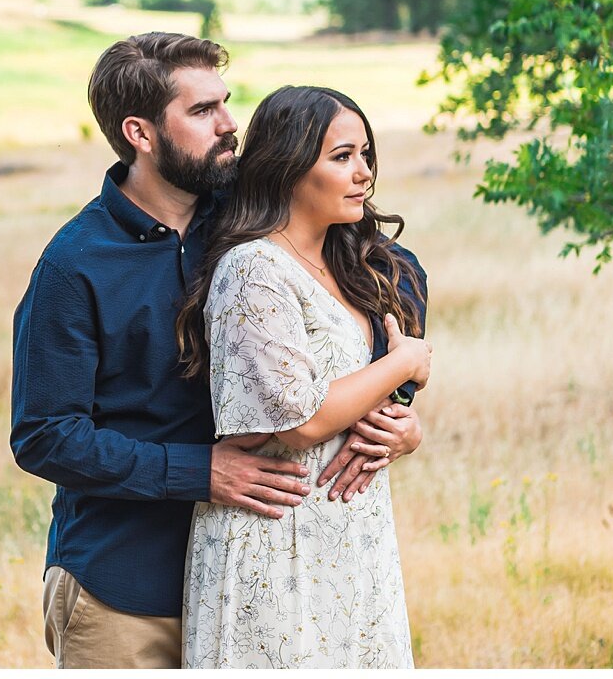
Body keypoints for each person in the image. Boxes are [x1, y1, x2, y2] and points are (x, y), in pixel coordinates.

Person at [11, 34, 423, 669]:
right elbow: (44, 435)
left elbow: (394, 268)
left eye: (225, 103)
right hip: (126, 589)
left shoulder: (247, 214)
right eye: (203, 112)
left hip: (263, 571)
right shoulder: (76, 265)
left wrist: (392, 405)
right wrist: (199, 471)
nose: (231, 125)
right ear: (140, 134)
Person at [178, 85, 432, 668]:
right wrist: (406, 361)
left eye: (366, 154)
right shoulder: (252, 269)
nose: (363, 173)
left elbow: (363, 400)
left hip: (350, 538)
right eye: (341, 157)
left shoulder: (350, 266)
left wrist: (405, 430)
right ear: (288, 169)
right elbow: (300, 416)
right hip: (275, 542)